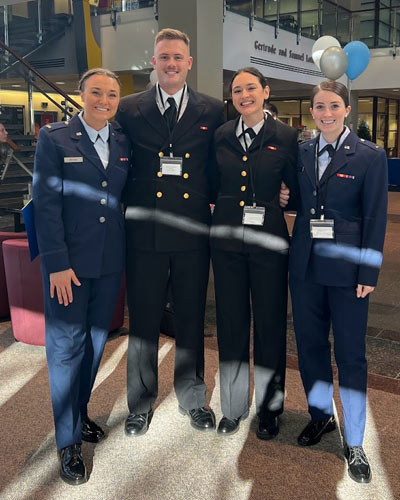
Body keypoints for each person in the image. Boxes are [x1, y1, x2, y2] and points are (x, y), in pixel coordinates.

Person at [116, 28, 224, 435]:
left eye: (178, 57)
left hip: (193, 231)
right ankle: (140, 403)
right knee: (142, 319)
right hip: (143, 232)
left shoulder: (213, 110)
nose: (171, 64)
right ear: (155, 62)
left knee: (191, 317)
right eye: (164, 57)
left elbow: (219, 168)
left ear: (189, 63)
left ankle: (193, 396)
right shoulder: (128, 108)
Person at [33, 68, 130, 485]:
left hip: (109, 262)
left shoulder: (123, 141)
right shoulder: (54, 139)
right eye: (96, 93)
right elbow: (46, 204)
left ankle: (80, 411)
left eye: (111, 94)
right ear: (81, 95)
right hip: (68, 266)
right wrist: (56, 263)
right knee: (65, 351)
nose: (104, 101)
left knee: (93, 344)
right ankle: (67, 441)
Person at [289, 80, 387, 483]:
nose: (325, 113)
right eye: (318, 107)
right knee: (311, 348)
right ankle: (321, 416)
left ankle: (356, 440)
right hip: (306, 269)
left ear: (347, 109)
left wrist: (368, 271)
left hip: (348, 273)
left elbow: (376, 217)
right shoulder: (303, 152)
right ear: (312, 111)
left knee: (350, 356)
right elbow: (299, 199)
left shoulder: (369, 156)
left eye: (333, 106)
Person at [210, 67, 299, 437]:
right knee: (230, 323)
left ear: (265, 92)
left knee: (270, 324)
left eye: (250, 88)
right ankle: (232, 407)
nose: (243, 94)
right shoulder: (220, 136)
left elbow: (296, 187)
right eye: (236, 90)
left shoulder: (286, 136)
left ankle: (269, 409)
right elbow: (212, 183)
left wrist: (285, 196)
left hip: (269, 243)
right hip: (227, 242)